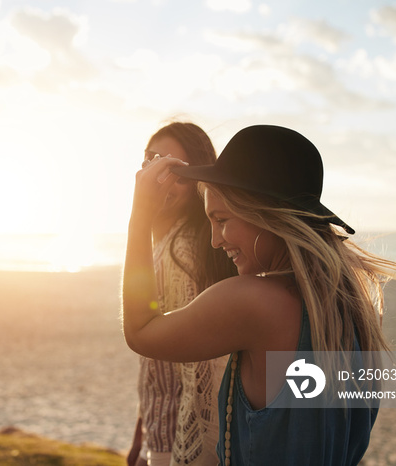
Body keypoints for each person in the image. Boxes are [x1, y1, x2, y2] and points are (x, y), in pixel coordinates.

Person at [122, 125, 396, 465]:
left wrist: (140, 215)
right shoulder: (353, 302)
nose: (216, 239)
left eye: (222, 219)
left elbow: (141, 331)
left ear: (266, 215)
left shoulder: (254, 302)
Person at [126, 122, 237, 466]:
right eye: (151, 160)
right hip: (163, 436)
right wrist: (139, 434)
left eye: (173, 168)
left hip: (174, 444)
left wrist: (156, 452)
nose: (158, 176)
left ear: (199, 181)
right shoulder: (187, 243)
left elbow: (192, 380)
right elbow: (162, 370)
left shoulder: (180, 252)